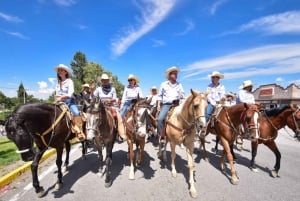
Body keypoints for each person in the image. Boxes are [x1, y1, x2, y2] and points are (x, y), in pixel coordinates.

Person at [54, 64, 85, 141]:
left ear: (66, 72)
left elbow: (70, 93)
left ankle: (79, 132)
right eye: (59, 70)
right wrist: (57, 98)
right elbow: (57, 95)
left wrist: (61, 97)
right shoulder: (58, 84)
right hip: (59, 103)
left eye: (61, 70)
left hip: (69, 102)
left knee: (76, 112)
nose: (59, 72)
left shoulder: (69, 81)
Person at [93, 73, 127, 140]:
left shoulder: (113, 89)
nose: (105, 81)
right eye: (103, 80)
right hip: (101, 106)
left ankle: (119, 132)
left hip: (111, 105)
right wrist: (91, 90)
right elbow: (93, 96)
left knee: (117, 115)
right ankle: (92, 131)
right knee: (92, 115)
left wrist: (109, 100)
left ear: (108, 81)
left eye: (106, 80)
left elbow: (115, 98)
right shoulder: (98, 89)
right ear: (101, 81)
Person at [157, 66, 184, 144]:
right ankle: (161, 135)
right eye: (174, 74)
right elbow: (159, 96)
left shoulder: (179, 84)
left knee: (186, 117)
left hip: (177, 104)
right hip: (167, 104)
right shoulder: (163, 84)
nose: (176, 75)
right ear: (169, 75)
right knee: (159, 119)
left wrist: (181, 95)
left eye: (176, 74)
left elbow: (182, 93)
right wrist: (159, 105)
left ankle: (185, 134)